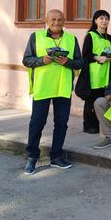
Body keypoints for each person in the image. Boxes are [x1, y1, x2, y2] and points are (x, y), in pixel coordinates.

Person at [22, 9, 83, 175]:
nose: (57, 22)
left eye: (60, 19)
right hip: (43, 87)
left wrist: (67, 61)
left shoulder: (71, 39)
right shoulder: (36, 37)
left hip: (63, 87)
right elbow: (26, 60)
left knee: (61, 124)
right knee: (37, 123)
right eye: (53, 19)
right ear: (47, 20)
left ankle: (56, 157)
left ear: (64, 21)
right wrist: (42, 60)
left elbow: (79, 63)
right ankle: (32, 157)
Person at [81, 10, 111, 134]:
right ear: (95, 20)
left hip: (106, 74)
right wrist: (97, 57)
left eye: (106, 18)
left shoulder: (108, 37)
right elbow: (85, 54)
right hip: (94, 74)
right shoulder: (91, 35)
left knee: (102, 100)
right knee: (91, 100)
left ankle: (100, 124)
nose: (104, 21)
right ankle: (89, 125)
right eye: (101, 18)